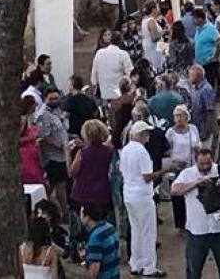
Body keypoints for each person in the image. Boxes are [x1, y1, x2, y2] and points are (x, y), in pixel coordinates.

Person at [171, 146, 220, 279]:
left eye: (208, 163)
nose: (205, 167)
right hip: (197, 230)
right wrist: (196, 183)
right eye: (201, 164)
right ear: (196, 161)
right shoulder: (187, 173)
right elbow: (175, 190)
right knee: (194, 269)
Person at [120, 121, 166, 277]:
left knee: (136, 230)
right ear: (140, 134)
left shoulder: (126, 150)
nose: (148, 136)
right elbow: (147, 176)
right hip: (142, 196)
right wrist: (165, 170)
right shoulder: (142, 152)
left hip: (129, 194)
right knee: (148, 232)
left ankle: (136, 263)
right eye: (146, 133)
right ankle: (149, 267)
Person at [67, 120, 114, 244]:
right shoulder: (109, 151)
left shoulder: (82, 153)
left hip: (83, 193)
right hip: (102, 192)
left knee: (81, 227)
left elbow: (72, 172)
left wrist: (67, 153)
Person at [165, 106, 202, 230]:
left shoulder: (193, 129)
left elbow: (199, 143)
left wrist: (198, 149)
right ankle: (181, 224)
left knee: (193, 194)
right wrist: (174, 161)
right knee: (178, 197)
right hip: (177, 168)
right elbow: (166, 150)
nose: (178, 118)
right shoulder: (170, 132)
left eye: (180, 115)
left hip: (191, 166)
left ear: (186, 117)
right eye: (176, 116)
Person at [36, 89, 70, 211]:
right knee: (58, 187)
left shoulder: (58, 111)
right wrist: (59, 146)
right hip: (53, 157)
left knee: (61, 186)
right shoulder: (44, 114)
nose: (55, 101)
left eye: (56, 98)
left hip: (62, 155)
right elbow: (45, 136)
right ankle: (63, 212)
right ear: (45, 99)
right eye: (51, 99)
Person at [78, 205, 120, 279]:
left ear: (87, 217)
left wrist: (84, 261)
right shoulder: (111, 227)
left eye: (81, 213)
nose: (80, 217)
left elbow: (92, 274)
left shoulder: (95, 237)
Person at [90, 34, 133, 103]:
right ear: (121, 42)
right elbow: (131, 74)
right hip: (118, 96)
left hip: (103, 93)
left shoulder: (99, 53)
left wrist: (94, 84)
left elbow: (94, 73)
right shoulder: (123, 54)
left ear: (110, 40)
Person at [19, 97, 46, 186]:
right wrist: (32, 138)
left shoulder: (30, 118)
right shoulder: (22, 120)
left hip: (33, 153)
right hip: (26, 154)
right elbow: (17, 139)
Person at [192, 8, 220, 88]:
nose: (193, 21)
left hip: (209, 62)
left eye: (194, 19)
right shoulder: (198, 29)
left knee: (210, 84)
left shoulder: (210, 28)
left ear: (200, 19)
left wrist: (215, 56)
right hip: (200, 63)